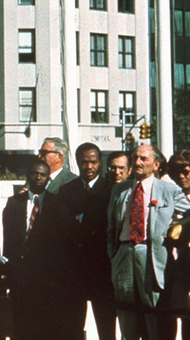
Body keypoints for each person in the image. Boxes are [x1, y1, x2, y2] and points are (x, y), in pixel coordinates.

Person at [106, 144, 190, 340]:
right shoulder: (120, 190)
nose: (137, 162)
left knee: (155, 312)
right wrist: (114, 253)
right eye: (135, 157)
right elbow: (111, 225)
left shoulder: (169, 190)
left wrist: (176, 232)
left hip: (153, 256)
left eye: (143, 159)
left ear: (155, 165)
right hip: (124, 254)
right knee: (126, 313)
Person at [1, 159, 74, 339]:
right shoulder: (13, 203)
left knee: (45, 324)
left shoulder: (57, 204)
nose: (39, 178)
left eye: (43, 174)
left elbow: (62, 241)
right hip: (20, 273)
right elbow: (8, 240)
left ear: (48, 178)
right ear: (28, 176)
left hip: (46, 276)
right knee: (21, 324)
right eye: (35, 173)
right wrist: (7, 271)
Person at [62, 142, 116, 340]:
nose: (89, 167)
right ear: (77, 163)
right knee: (73, 326)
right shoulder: (67, 191)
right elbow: (64, 227)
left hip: (103, 269)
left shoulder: (111, 190)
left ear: (100, 163)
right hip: (75, 270)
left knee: (106, 326)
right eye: (84, 162)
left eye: (93, 162)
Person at [163, 149, 190, 340]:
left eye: (186, 171)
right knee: (181, 319)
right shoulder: (170, 198)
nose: (182, 177)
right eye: (177, 172)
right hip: (175, 266)